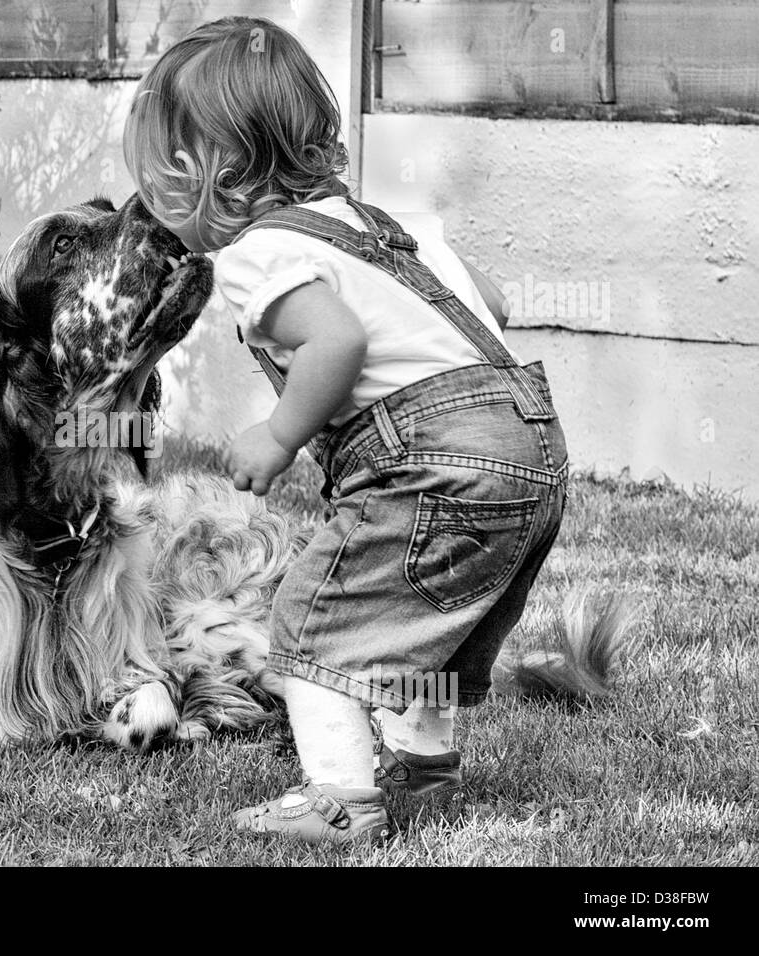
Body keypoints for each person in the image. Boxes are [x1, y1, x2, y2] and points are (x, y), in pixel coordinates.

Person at [124, 16, 568, 844]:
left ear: (204, 175)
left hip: (428, 462)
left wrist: (279, 434)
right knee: (426, 627)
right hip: (529, 444)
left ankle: (340, 800)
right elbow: (494, 304)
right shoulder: (392, 227)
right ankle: (423, 775)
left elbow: (339, 340)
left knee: (310, 619)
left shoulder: (260, 250)